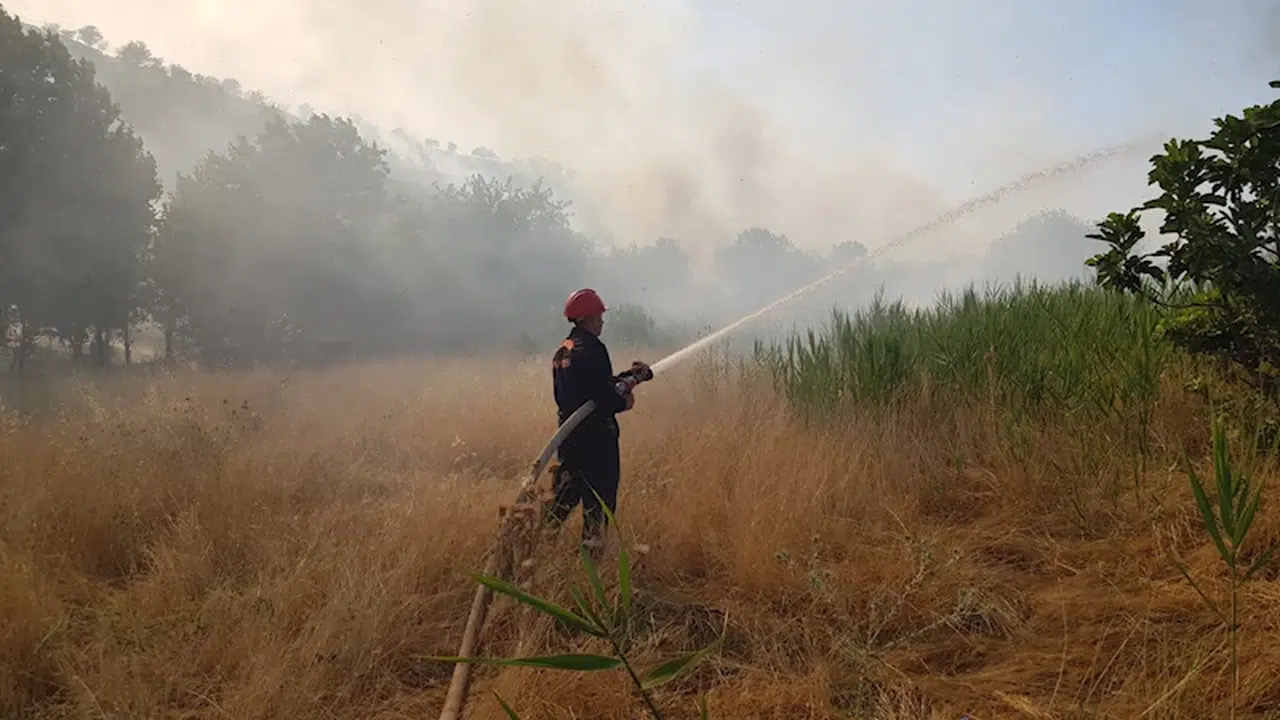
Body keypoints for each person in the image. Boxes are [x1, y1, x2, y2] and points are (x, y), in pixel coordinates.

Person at [545, 288, 650, 559]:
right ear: (589, 318)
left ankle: (534, 549)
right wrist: (624, 401)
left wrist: (631, 376)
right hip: (596, 442)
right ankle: (590, 567)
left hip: (569, 439)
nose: (602, 322)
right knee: (599, 506)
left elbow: (591, 387)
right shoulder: (593, 348)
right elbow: (604, 398)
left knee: (562, 500)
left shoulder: (563, 350)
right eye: (600, 318)